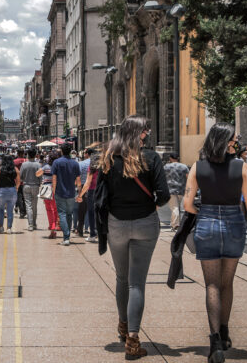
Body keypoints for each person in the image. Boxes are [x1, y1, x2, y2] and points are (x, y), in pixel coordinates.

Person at [182, 123, 247, 363]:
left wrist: (203, 214)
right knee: (227, 283)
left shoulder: (198, 167)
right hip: (234, 224)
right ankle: (224, 331)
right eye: (233, 139)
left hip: (207, 223)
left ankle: (214, 343)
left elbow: (187, 204)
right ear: (224, 141)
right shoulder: (242, 167)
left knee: (211, 284)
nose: (236, 143)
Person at [97, 116, 170, 359]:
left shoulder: (109, 157)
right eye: (146, 130)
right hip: (145, 222)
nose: (148, 134)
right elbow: (164, 194)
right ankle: (133, 340)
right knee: (136, 282)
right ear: (140, 133)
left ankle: (123, 325)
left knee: (121, 277)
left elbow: (101, 194)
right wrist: (151, 207)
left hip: (116, 223)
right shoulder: (151, 157)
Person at [51, 144, 81, 245]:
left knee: (62, 213)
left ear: (62, 151)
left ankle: (66, 237)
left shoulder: (56, 162)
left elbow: (54, 178)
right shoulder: (75, 163)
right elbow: (78, 180)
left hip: (60, 192)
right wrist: (79, 193)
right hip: (71, 193)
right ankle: (67, 236)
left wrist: (53, 190)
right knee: (69, 214)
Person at [76, 150, 100, 242]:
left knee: (91, 213)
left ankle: (93, 235)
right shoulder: (104, 167)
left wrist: (80, 195)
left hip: (92, 192)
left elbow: (87, 183)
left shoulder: (92, 167)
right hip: (102, 191)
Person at [0, 155, 20, 234]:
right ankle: (9, 228)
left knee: (1, 209)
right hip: (12, 190)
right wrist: (16, 188)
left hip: (2, 190)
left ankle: (1, 227)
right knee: (10, 210)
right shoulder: (15, 169)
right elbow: (18, 182)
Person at [164, 152, 189, 231]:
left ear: (170, 158)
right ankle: (177, 224)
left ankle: (175, 225)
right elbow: (188, 177)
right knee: (179, 208)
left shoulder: (166, 167)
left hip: (170, 190)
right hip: (181, 189)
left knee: (174, 208)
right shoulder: (184, 166)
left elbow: (162, 177)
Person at [19, 148, 42, 231]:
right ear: (35, 155)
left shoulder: (24, 165)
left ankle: (30, 225)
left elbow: (21, 176)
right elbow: (40, 177)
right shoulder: (38, 165)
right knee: (34, 206)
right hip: (35, 186)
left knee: (28, 206)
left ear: (28, 155)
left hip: (26, 186)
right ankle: (34, 223)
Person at [39, 152, 60, 238]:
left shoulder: (46, 167)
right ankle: (55, 226)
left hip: (46, 188)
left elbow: (37, 173)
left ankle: (52, 227)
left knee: (49, 209)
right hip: (56, 188)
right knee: (55, 209)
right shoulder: (58, 167)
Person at [75, 149, 91, 236]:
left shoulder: (81, 163)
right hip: (95, 188)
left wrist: (79, 192)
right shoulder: (99, 163)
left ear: (87, 154)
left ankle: (80, 230)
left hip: (83, 187)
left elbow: (78, 176)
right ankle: (94, 231)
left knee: (81, 210)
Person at [13, 150, 27, 218]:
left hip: (17, 181)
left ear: (17, 154)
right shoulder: (26, 161)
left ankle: (21, 212)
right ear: (23, 153)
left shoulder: (14, 161)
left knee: (19, 197)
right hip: (26, 181)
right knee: (25, 197)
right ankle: (25, 210)